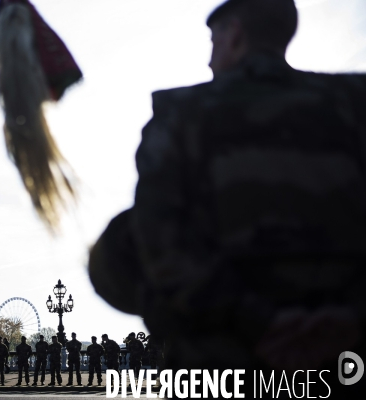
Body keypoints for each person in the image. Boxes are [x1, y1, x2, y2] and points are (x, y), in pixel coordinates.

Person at [89, 0, 366, 396]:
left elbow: (158, 242)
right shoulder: (356, 103)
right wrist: (349, 317)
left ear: (235, 36)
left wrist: (259, 321)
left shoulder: (181, 114)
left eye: (212, 40)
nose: (208, 59)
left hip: (221, 365)